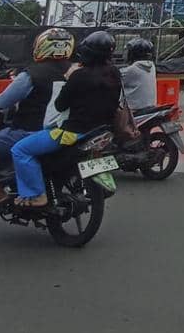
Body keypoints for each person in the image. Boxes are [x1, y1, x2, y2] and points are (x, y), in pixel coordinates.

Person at [0, 28, 76, 207]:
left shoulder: (31, 74)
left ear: (41, 46)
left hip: (29, 130)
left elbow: (2, 102)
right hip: (66, 131)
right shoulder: (75, 71)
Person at [11, 30, 121, 209]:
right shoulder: (115, 73)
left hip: (73, 133)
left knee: (20, 149)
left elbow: (60, 105)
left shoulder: (79, 76)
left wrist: (68, 79)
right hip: (101, 131)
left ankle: (36, 195)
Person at [120, 37, 157, 111]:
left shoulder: (133, 69)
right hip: (150, 107)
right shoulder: (151, 66)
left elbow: (114, 77)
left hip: (133, 110)